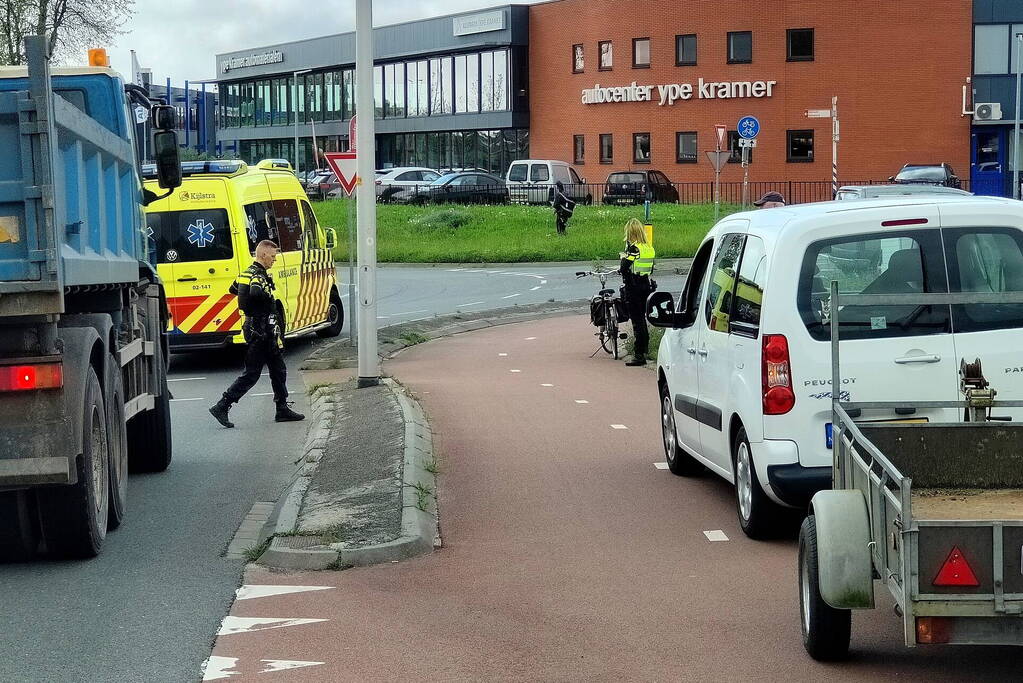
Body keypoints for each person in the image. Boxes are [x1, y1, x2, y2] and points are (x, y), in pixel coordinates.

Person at [209, 240, 304, 427]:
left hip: (256, 327)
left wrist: (248, 303)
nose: (274, 260)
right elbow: (255, 292)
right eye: (273, 256)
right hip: (261, 330)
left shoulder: (245, 272)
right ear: (263, 255)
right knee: (252, 373)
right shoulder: (258, 275)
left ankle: (282, 408)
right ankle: (222, 405)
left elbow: (233, 289)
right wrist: (262, 301)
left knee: (278, 368)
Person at [619, 218, 656, 366]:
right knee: (642, 319)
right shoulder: (649, 248)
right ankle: (645, 349)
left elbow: (624, 268)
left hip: (633, 286)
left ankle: (639, 354)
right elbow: (651, 269)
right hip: (646, 285)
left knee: (637, 321)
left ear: (631, 233)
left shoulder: (634, 249)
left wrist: (623, 257)